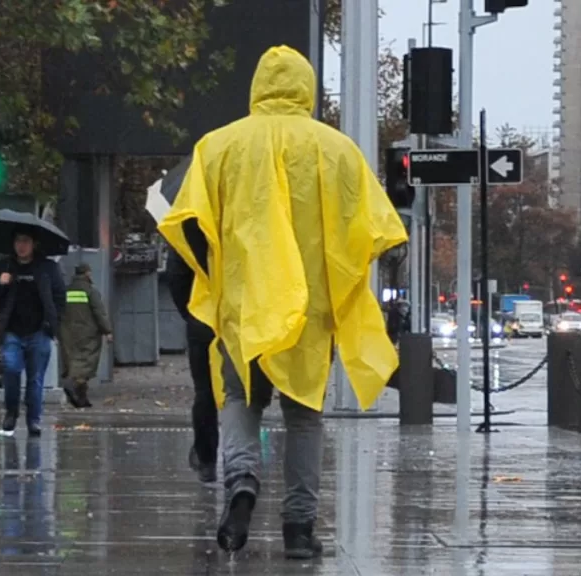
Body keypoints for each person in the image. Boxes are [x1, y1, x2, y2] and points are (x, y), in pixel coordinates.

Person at [159, 46, 407, 559]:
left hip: (243, 307)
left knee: (239, 400)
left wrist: (211, 283)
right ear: (307, 88)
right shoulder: (337, 150)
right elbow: (374, 230)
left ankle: (242, 482)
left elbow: (186, 223)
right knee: (304, 419)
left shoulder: (217, 147)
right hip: (309, 313)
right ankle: (298, 528)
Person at [0, 230, 66, 437]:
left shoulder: (48, 268)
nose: (21, 246)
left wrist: (52, 325)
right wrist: (0, 285)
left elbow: (59, 298)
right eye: (18, 241)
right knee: (11, 370)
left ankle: (34, 420)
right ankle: (11, 413)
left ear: (34, 244)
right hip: (12, 332)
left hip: (39, 331)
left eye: (26, 241)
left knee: (35, 378)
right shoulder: (3, 267)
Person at [165, 247, 218, 484]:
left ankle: (207, 460)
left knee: (205, 391)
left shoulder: (188, 220)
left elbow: (176, 275)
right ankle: (244, 465)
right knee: (240, 392)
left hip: (202, 317)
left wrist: (191, 312)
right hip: (240, 316)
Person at [60, 263, 113, 409]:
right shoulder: (90, 291)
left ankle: (82, 400)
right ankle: (72, 384)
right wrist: (107, 331)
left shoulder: (66, 290)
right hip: (88, 333)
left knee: (72, 361)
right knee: (86, 363)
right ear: (87, 274)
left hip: (68, 332)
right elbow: (99, 312)